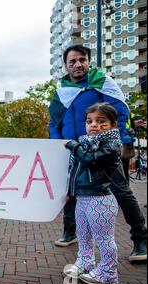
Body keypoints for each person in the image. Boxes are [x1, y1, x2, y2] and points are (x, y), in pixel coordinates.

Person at [49, 44, 147, 261]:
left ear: (88, 62)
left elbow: (121, 114)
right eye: (72, 61)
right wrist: (58, 145)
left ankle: (141, 240)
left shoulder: (103, 84)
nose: (77, 64)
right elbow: (54, 123)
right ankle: (69, 231)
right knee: (71, 192)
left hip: (103, 151)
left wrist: (113, 143)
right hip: (73, 150)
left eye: (82, 60)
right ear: (65, 66)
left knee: (121, 192)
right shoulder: (60, 92)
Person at [63, 103, 121, 284]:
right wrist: (69, 192)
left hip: (100, 199)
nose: (94, 125)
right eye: (90, 121)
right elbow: (74, 171)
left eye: (101, 121)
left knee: (104, 238)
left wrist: (74, 146)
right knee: (83, 235)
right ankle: (85, 262)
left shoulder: (110, 145)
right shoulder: (88, 143)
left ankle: (109, 273)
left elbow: (88, 160)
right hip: (83, 197)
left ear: (113, 124)